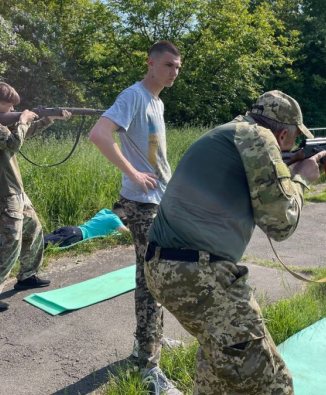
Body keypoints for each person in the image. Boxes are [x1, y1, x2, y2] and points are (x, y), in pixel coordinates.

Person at [144, 90, 326, 394]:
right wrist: (302, 179)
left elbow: (269, 187)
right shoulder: (259, 138)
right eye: (291, 141)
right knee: (273, 385)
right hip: (200, 277)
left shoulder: (231, 133)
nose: (292, 147)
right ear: (284, 132)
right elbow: (281, 223)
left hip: (167, 270)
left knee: (218, 377)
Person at [89, 40, 182, 394]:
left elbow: (154, 152)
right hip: (142, 206)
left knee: (156, 276)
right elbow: (99, 135)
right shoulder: (134, 96)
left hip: (158, 200)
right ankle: (147, 365)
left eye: (177, 67)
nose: (174, 72)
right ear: (151, 64)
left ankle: (151, 341)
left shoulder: (156, 102)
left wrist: (163, 181)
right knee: (150, 282)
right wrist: (135, 173)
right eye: (168, 65)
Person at [0, 81, 71, 314]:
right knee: (11, 242)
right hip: (1, 190)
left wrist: (47, 119)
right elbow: (12, 142)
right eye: (8, 108)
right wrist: (23, 120)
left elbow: (19, 137)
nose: (11, 112)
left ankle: (27, 275)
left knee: (34, 229)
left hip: (14, 188)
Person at [0, 203, 130, 261]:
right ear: (121, 212)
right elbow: (126, 234)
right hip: (76, 235)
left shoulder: (104, 212)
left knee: (38, 241)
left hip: (71, 229)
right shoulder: (115, 219)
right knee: (38, 246)